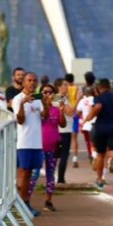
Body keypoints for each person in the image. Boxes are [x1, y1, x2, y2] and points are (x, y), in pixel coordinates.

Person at [82, 79, 113, 188]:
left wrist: (90, 117)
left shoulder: (99, 98)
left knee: (100, 154)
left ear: (99, 87)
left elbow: (98, 107)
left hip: (101, 128)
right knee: (112, 150)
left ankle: (99, 179)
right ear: (109, 86)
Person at [12, 73, 44, 215]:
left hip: (37, 142)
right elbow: (20, 120)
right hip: (24, 142)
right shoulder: (18, 99)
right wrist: (23, 103)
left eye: (34, 80)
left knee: (30, 175)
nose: (32, 83)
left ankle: (26, 203)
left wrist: (48, 103)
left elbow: (46, 116)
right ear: (24, 83)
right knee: (23, 173)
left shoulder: (38, 99)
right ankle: (19, 204)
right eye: (29, 80)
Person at [39, 83, 66, 211]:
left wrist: (61, 111)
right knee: (33, 175)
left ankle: (48, 201)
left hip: (54, 146)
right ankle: (25, 201)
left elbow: (63, 124)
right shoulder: (37, 109)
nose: (48, 94)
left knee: (51, 174)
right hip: (38, 147)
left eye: (50, 92)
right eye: (45, 92)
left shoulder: (56, 109)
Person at [55, 79, 74, 184]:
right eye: (64, 85)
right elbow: (70, 112)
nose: (67, 87)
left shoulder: (60, 97)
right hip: (64, 130)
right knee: (63, 155)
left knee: (59, 155)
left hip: (62, 129)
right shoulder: (60, 97)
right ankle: (61, 179)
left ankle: (58, 177)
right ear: (59, 86)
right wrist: (78, 99)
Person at [75, 87, 95, 165]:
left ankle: (91, 155)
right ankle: (93, 155)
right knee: (93, 142)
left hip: (85, 125)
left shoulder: (82, 101)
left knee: (88, 142)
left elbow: (77, 113)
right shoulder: (95, 99)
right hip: (94, 123)